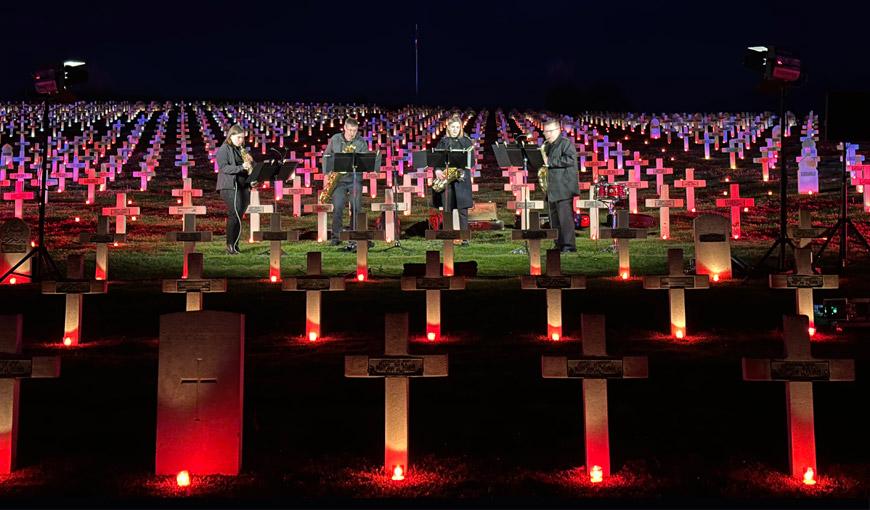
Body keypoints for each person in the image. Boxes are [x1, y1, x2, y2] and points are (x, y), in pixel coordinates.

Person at [322, 118, 368, 245]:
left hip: (354, 179)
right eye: (350, 130)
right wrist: (326, 175)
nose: (352, 133)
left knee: (356, 208)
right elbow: (326, 156)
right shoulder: (335, 139)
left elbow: (365, 160)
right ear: (344, 128)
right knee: (338, 208)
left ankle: (354, 236)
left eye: (355, 130)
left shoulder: (361, 141)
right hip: (339, 181)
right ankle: (336, 237)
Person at [433, 114, 474, 244]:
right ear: (448, 128)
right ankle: (448, 236)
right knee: (447, 208)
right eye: (453, 127)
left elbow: (471, 161)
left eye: (457, 127)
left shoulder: (466, 141)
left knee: (463, 210)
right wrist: (438, 170)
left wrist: (462, 169)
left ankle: (465, 238)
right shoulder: (443, 141)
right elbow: (437, 160)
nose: (455, 129)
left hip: (461, 179)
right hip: (447, 180)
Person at [541, 118, 580, 252]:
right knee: (554, 220)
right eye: (545, 132)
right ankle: (558, 244)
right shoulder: (548, 145)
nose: (546, 134)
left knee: (565, 220)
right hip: (552, 189)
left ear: (558, 130)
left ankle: (569, 246)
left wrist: (550, 161)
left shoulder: (566, 143)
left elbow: (570, 159)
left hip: (563, 188)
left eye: (549, 131)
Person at [216, 124, 254, 255]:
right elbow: (224, 168)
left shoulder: (241, 150)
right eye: (238, 137)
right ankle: (230, 246)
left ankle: (236, 245)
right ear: (231, 136)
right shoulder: (224, 149)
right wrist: (241, 167)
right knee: (234, 214)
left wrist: (251, 164)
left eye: (242, 138)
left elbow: (248, 167)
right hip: (229, 186)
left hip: (243, 186)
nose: (241, 140)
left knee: (239, 215)